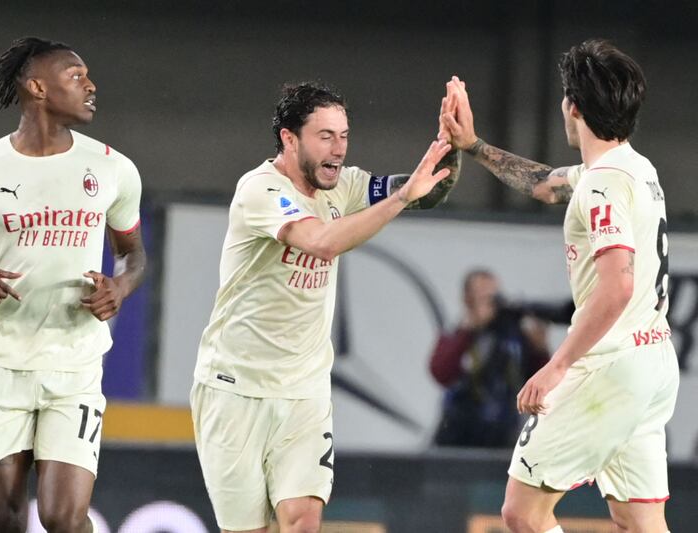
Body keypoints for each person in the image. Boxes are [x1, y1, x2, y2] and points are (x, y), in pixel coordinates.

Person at [191, 81, 461, 533]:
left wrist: (453, 142)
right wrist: (400, 199)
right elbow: (320, 242)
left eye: (344, 135)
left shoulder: (346, 185)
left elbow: (428, 191)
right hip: (234, 388)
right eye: (325, 136)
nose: (339, 149)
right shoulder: (259, 190)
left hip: (304, 392)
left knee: (303, 521)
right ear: (289, 139)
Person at [0, 37, 146, 533]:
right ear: (38, 87)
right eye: (77, 76)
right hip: (1, 364)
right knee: (4, 519)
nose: (92, 85)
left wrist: (121, 289)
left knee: (64, 518)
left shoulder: (113, 168)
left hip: (75, 365)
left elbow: (134, 255)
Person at [441, 39, 678, 533]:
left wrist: (557, 367)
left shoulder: (602, 183)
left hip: (608, 370)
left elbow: (616, 287)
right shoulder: (634, 168)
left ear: (571, 107)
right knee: (641, 520)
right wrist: (474, 145)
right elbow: (547, 183)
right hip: (652, 362)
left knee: (522, 513)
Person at [430, 269, 551, 448]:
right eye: (484, 297)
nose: (493, 303)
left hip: (502, 438)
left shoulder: (512, 336)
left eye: (495, 296)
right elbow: (440, 372)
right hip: (458, 438)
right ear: (468, 301)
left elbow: (540, 383)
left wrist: (540, 349)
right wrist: (469, 329)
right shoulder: (459, 334)